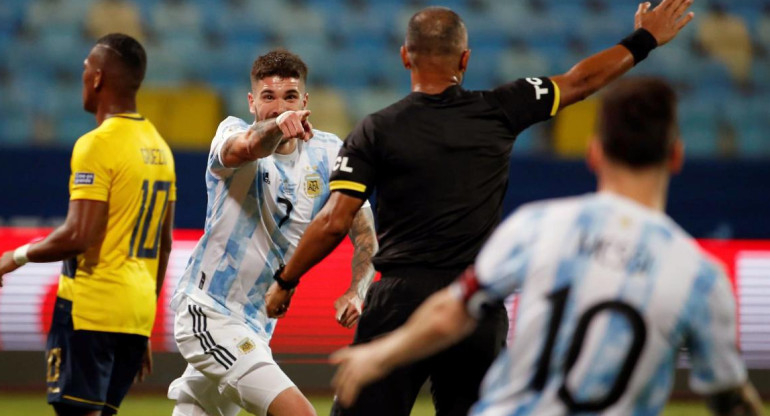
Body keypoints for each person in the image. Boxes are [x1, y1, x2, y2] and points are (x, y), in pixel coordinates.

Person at [266, 2, 695, 415]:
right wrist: (645, 39)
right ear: (466, 59)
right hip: (476, 304)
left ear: (404, 57)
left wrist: (286, 280)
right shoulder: (501, 108)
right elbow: (581, 81)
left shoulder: (375, 130)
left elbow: (333, 221)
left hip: (401, 300)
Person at [330, 78, 766, 415]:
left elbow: (453, 310)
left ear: (594, 153)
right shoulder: (700, 276)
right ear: (676, 156)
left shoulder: (537, 227)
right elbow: (728, 396)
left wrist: (381, 353)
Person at [166, 49, 377, 416]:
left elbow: (366, 238)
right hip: (209, 312)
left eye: (290, 97)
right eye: (268, 97)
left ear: (305, 101)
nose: (280, 107)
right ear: (251, 102)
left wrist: (356, 291)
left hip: (256, 326)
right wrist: (279, 127)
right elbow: (246, 147)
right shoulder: (231, 134)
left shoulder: (329, 153)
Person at [0, 33, 176, 416]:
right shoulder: (160, 147)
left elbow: (79, 235)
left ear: (97, 78)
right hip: (134, 316)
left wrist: (13, 257)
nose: (82, 77)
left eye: (84, 69)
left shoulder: (97, 144)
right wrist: (143, 324)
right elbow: (164, 244)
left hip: (90, 311)